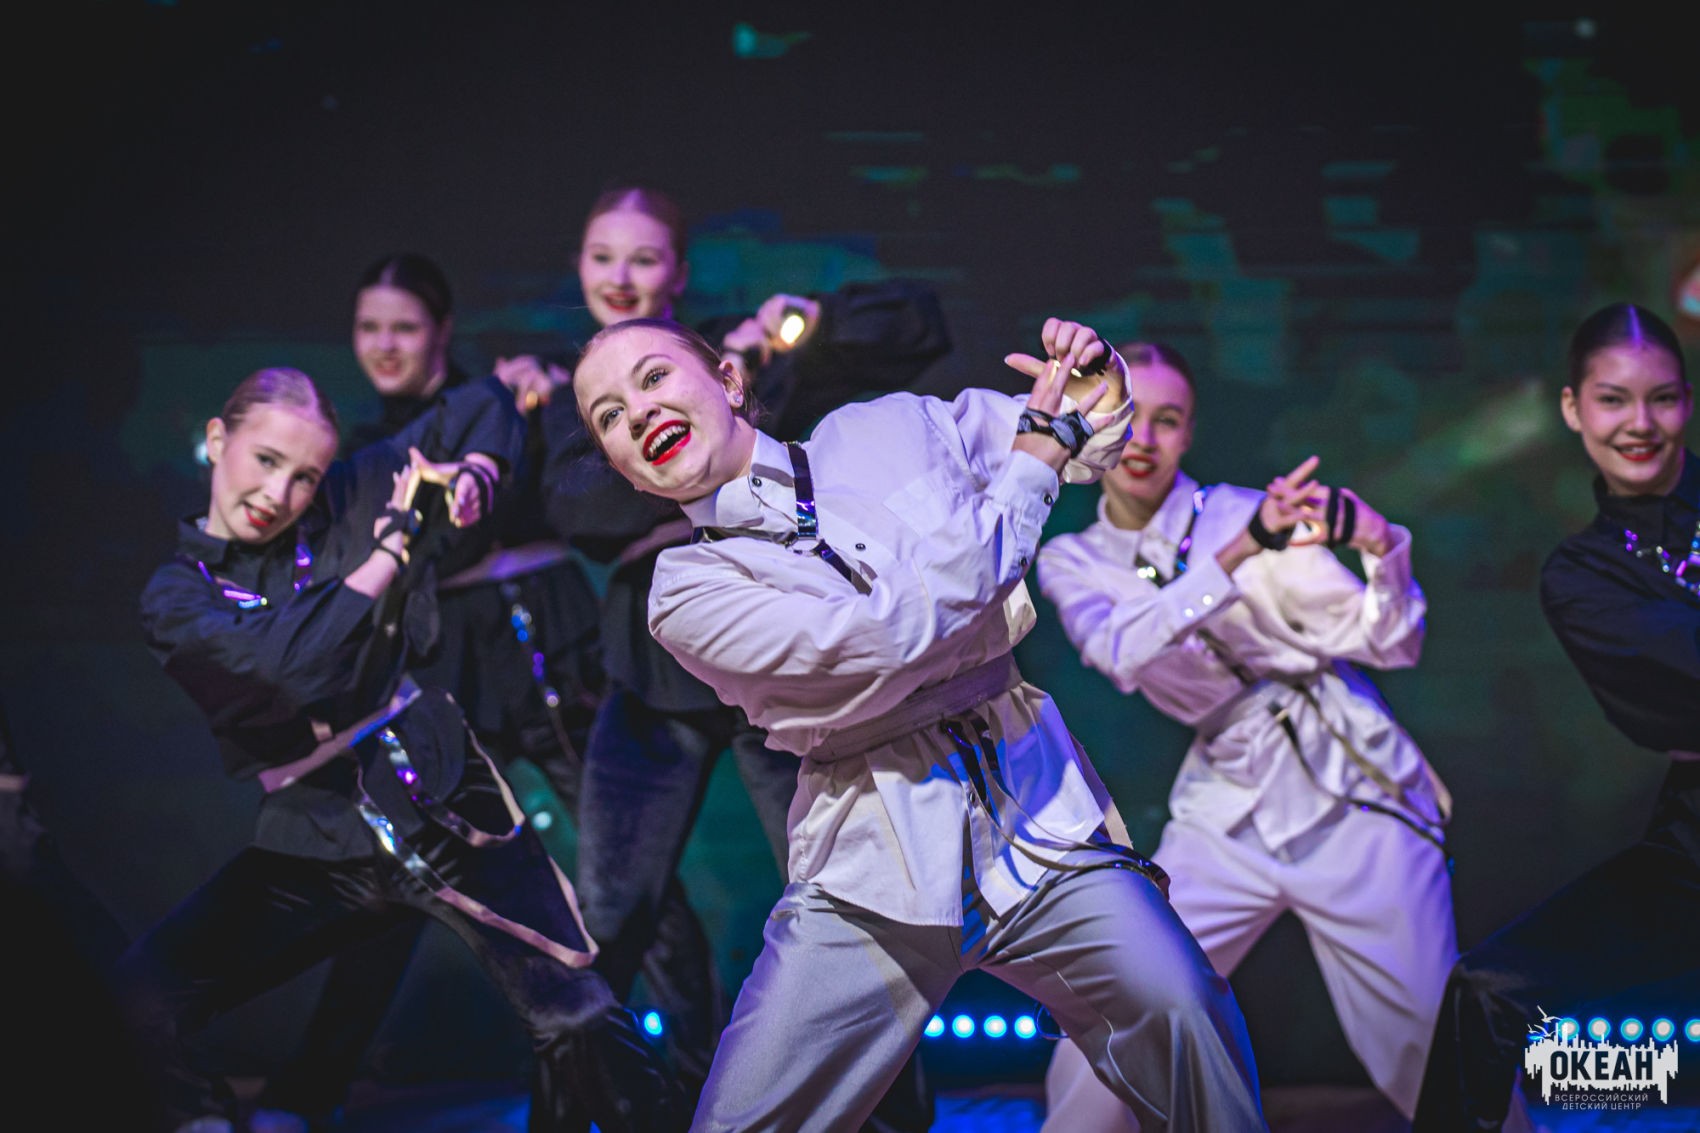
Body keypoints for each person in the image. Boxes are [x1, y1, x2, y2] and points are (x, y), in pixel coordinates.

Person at [572, 314, 1267, 1132]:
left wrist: (1099, 381)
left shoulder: (889, 428)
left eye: (654, 377)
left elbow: (1078, 434)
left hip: (1038, 821)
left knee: (1185, 1006)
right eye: (609, 415)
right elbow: (883, 641)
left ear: (727, 378)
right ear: (621, 466)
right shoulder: (687, 591)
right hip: (871, 864)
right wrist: (1027, 477)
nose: (638, 412)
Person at [117, 366, 684, 1132]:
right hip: (315, 835)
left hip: (447, 799)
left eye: (305, 475)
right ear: (218, 440)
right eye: (266, 460)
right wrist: (390, 548)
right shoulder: (176, 597)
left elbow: (481, 405)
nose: (281, 492)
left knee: (576, 1013)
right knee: (141, 998)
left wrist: (476, 472)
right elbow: (290, 668)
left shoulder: (347, 494)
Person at [537, 185, 951, 1123]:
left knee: (851, 909)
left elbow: (920, 325)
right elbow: (581, 510)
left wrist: (806, 323)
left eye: (644, 256)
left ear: (678, 273)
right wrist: (692, 455)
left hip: (778, 679)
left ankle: (896, 1119)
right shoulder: (576, 395)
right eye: (603, 256)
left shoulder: (742, 355)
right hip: (652, 688)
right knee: (604, 919)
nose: (622, 275)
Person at [1033, 342, 1458, 1128]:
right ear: (1095, 420)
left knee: (1421, 1041)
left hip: (1351, 791)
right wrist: (1241, 552)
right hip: (1226, 805)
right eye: (1128, 415)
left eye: (1167, 420)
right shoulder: (1075, 557)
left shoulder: (1244, 510)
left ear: (1190, 432)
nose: (1144, 438)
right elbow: (1121, 651)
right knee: (1127, 1000)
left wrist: (1380, 548)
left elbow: (1388, 642)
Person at [258, 253, 605, 1128]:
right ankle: (308, 1091)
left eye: (404, 327)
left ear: (442, 331)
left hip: (539, 651)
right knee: (402, 878)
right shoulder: (365, 445)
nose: (385, 344)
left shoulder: (501, 401)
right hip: (443, 668)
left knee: (613, 869)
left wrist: (534, 394)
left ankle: (677, 1080)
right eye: (369, 328)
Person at [1413, 303, 1699, 1131]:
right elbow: (1664, 704)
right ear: (1574, 409)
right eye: (1613, 399)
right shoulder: (1583, 573)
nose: (1640, 423)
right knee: (1487, 989)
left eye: (1662, 398)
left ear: (1687, 402)